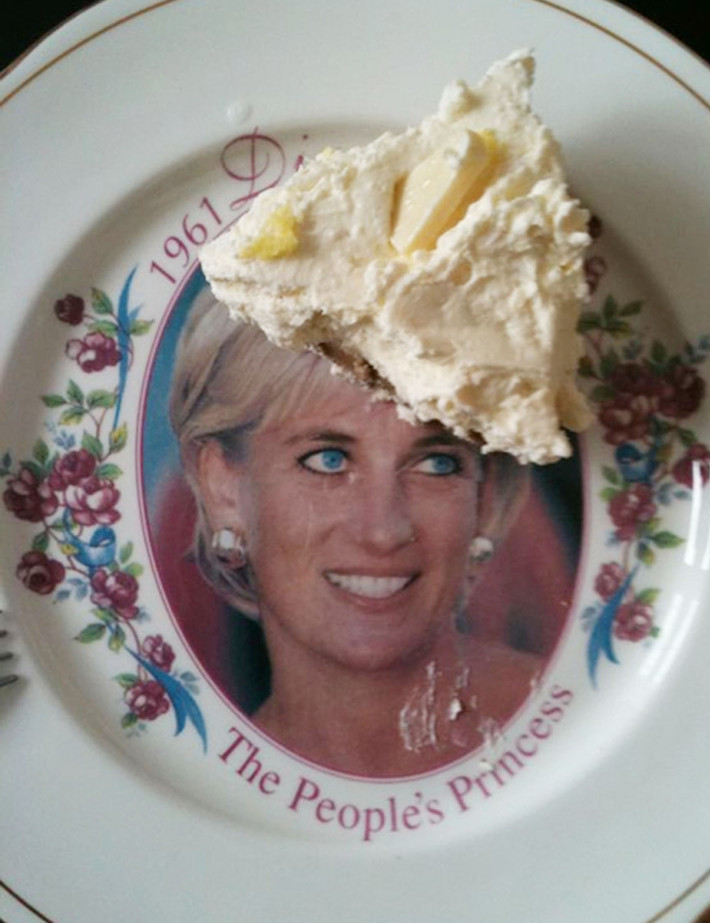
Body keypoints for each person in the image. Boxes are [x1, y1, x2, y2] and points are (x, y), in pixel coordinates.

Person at [169, 290, 542, 777]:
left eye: (436, 463)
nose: (383, 531)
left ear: (484, 498)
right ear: (223, 486)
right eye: (328, 460)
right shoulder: (200, 786)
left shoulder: (579, 724)